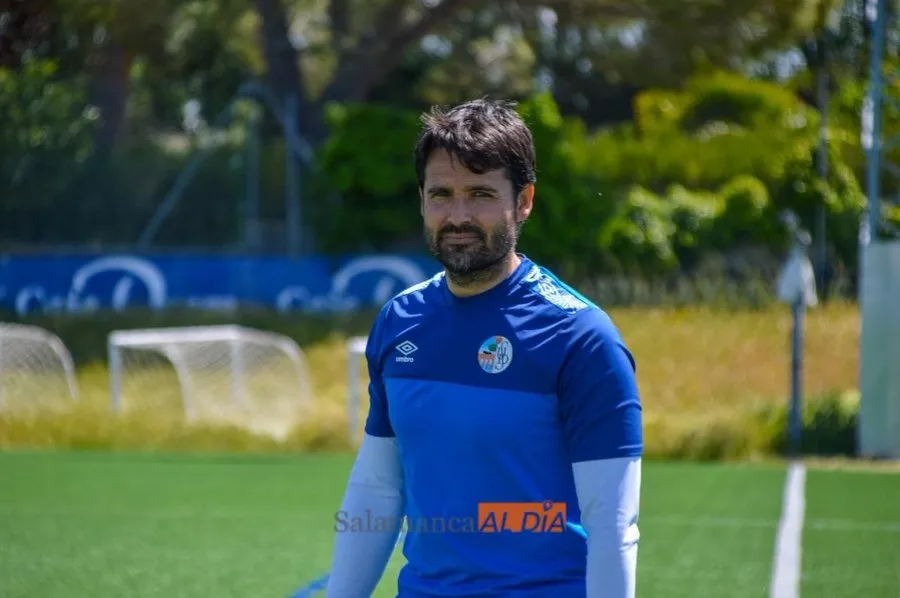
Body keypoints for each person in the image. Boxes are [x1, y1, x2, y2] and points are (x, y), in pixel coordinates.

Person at [325, 98, 643, 598]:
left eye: (480, 194)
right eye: (441, 195)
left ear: (524, 200)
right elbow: (380, 488)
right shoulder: (399, 322)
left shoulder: (581, 337)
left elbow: (612, 524)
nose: (458, 216)